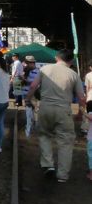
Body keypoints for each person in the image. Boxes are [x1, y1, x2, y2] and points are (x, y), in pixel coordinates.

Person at [26, 49, 86, 183]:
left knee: (44, 135)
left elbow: (33, 86)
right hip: (64, 110)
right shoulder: (73, 74)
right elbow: (81, 98)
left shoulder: (45, 69)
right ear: (70, 61)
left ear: (57, 57)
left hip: (45, 107)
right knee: (65, 142)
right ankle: (62, 175)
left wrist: (28, 99)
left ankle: (48, 165)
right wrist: (80, 113)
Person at [21, 55, 40, 137]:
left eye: (28, 63)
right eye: (26, 63)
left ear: (32, 63)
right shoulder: (25, 70)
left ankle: (31, 132)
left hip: (33, 95)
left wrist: (24, 79)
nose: (26, 65)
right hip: (26, 95)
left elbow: (34, 84)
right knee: (29, 114)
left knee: (34, 113)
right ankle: (28, 132)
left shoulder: (38, 71)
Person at [82, 64, 92, 135]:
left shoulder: (88, 75)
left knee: (89, 112)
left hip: (91, 96)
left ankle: (86, 129)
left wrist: (86, 96)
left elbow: (87, 87)